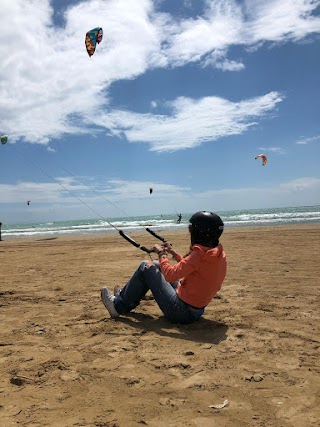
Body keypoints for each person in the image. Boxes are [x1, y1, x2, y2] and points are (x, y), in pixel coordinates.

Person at [101, 211, 227, 324]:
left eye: (191, 229)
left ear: (200, 232)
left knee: (146, 266)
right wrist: (173, 253)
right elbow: (191, 267)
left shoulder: (200, 255)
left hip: (181, 312)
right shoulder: (215, 253)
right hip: (195, 310)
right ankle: (125, 297)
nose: (190, 232)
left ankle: (117, 306)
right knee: (156, 264)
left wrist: (162, 254)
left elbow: (170, 275)